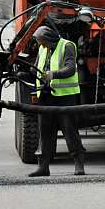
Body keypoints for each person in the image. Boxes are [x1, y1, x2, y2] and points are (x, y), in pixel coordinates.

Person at [28, 25, 85, 177]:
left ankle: (79, 165)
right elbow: (37, 67)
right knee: (45, 132)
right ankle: (43, 167)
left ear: (49, 39)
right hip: (45, 96)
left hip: (64, 97)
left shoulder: (67, 46)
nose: (40, 45)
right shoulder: (43, 49)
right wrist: (31, 71)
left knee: (70, 130)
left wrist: (53, 75)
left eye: (42, 42)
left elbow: (71, 68)